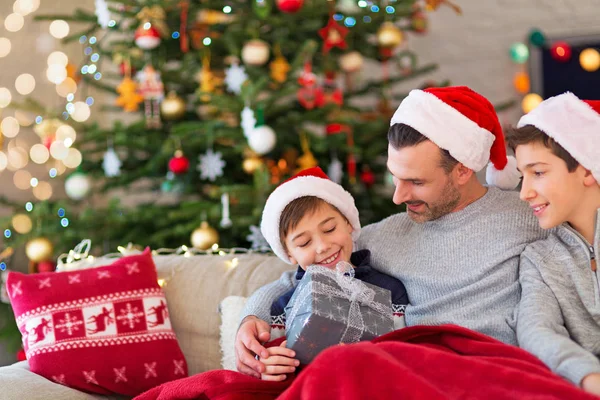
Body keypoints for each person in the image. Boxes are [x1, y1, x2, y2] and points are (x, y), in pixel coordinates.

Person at [235, 86, 547, 378]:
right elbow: (296, 279)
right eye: (395, 177)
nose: (398, 197)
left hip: (494, 370)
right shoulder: (384, 236)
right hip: (415, 371)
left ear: (463, 170)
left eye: (416, 182)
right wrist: (252, 320)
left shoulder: (527, 216)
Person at [259, 166, 409, 381]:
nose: (322, 247)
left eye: (329, 229)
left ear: (348, 223)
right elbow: (273, 366)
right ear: (289, 254)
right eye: (304, 242)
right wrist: (270, 367)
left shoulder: (389, 291)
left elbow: (404, 354)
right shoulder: (285, 307)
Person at [505, 92, 600, 396]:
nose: (525, 192)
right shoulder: (539, 258)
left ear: (586, 168)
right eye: (523, 176)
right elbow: (536, 329)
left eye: (539, 172)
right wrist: (588, 376)